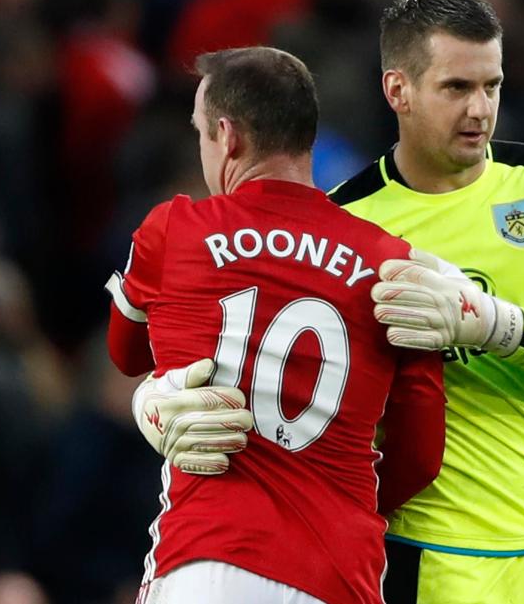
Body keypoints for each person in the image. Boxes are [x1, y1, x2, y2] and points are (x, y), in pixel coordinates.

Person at [104, 47, 445, 604]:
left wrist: (152, 399)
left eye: (200, 133)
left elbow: (125, 353)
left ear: (226, 136)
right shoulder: (393, 264)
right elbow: (421, 457)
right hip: (339, 573)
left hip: (207, 559)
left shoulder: (173, 230)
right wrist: (330, 495)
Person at [328, 0, 524, 603]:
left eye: (492, 85)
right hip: (435, 562)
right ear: (397, 91)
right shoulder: (344, 224)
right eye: (456, 88)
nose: (480, 110)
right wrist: (163, 404)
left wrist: (487, 323)